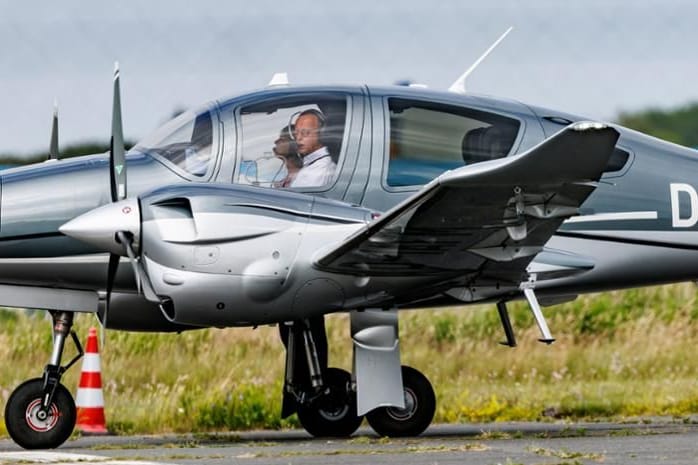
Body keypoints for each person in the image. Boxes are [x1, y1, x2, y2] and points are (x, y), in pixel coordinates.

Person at [289, 109, 336, 187]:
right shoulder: (313, 163)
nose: (298, 138)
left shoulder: (320, 169)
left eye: (305, 133)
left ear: (322, 134)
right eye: (296, 134)